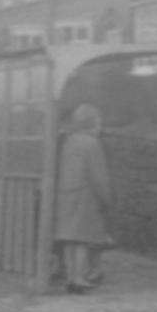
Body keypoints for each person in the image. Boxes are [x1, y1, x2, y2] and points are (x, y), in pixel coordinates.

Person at [54, 104, 113, 294]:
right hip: (85, 195)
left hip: (66, 192)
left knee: (68, 239)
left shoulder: (69, 141)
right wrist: (106, 199)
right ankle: (79, 278)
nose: (100, 125)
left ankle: (70, 278)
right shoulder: (92, 144)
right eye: (98, 121)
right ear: (92, 123)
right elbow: (98, 176)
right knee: (81, 240)